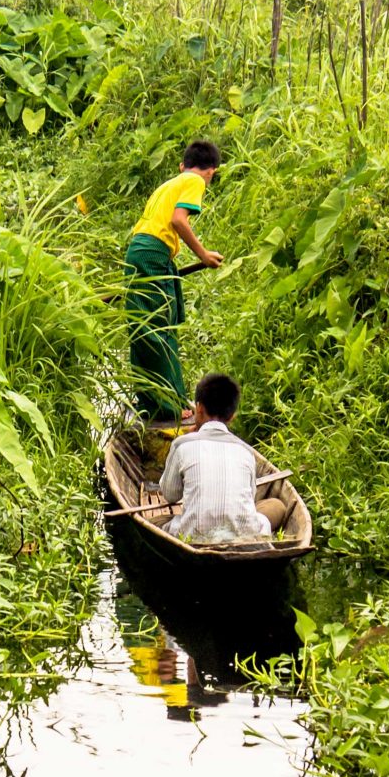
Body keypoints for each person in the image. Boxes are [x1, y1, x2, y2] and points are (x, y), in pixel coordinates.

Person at [124, 140, 223, 421]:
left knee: (143, 327)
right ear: (211, 171)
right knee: (159, 329)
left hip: (138, 252)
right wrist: (203, 254)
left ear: (183, 165)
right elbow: (180, 221)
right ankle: (170, 405)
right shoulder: (195, 181)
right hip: (153, 254)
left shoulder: (168, 184)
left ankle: (152, 403)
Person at [157, 373, 288, 546]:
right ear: (232, 416)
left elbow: (170, 495)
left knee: (156, 523)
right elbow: (251, 497)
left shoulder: (182, 444)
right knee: (277, 506)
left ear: (199, 409)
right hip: (244, 538)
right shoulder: (246, 451)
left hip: (193, 536)